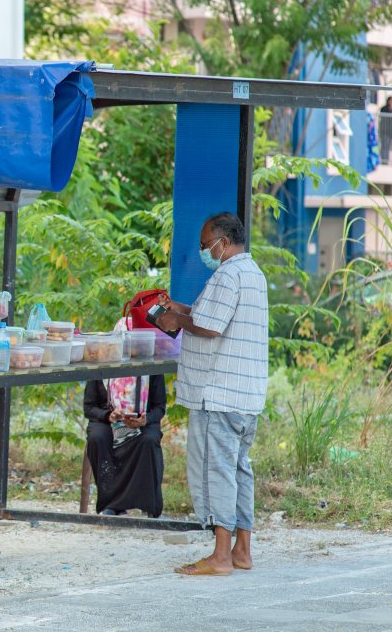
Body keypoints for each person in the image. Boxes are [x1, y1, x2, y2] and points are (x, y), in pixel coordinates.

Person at [155, 212, 268, 577]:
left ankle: (219, 555)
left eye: (206, 245)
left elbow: (209, 327)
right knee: (239, 469)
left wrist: (177, 321)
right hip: (245, 395)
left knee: (215, 470)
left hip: (217, 395)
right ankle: (242, 550)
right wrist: (182, 309)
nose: (204, 251)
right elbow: (215, 316)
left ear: (223, 241)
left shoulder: (227, 275)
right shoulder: (253, 274)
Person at [83, 374, 167, 517]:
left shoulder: (152, 368)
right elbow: (89, 407)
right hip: (107, 419)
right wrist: (108, 416)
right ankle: (111, 504)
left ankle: (148, 505)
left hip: (142, 419)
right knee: (98, 438)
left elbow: (159, 408)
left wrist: (145, 420)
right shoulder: (103, 363)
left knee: (148, 440)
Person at [379, 96, 392, 164]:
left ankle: (386, 159)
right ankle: (384, 160)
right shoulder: (384, 108)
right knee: (384, 145)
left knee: (387, 146)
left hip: (390, 132)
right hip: (385, 130)